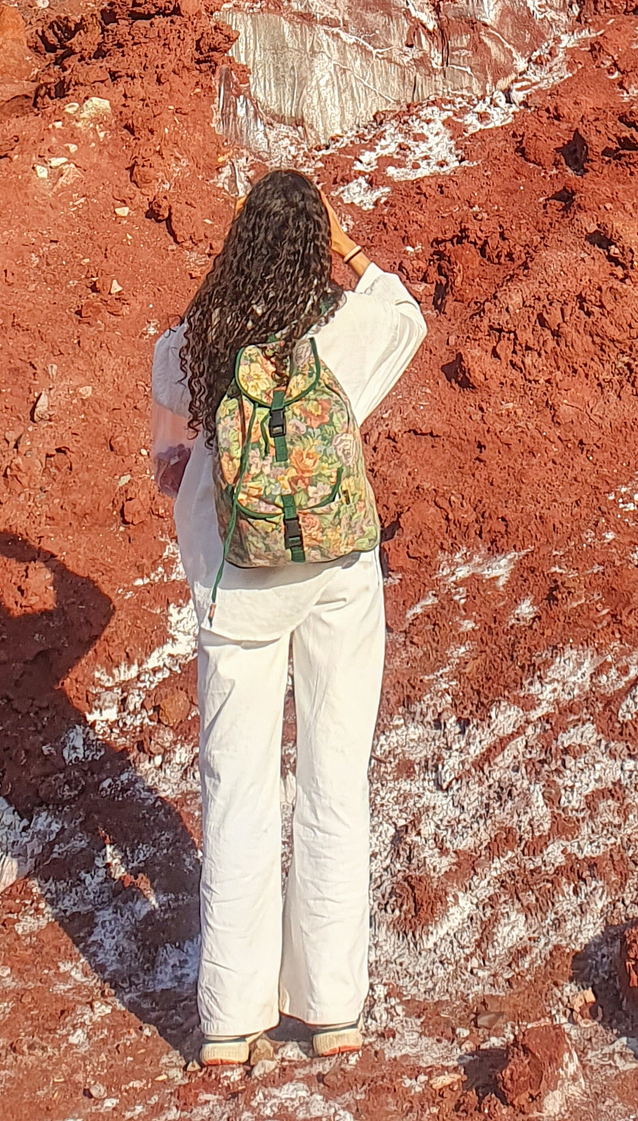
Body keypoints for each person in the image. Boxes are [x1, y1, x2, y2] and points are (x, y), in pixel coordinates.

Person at [148, 167, 425, 1069]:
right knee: (334, 776)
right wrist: (345, 248)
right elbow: (402, 310)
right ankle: (334, 1007)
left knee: (238, 784)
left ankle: (232, 1017)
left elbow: (164, 428)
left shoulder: (200, 345)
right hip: (340, 574)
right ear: (315, 247)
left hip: (240, 588)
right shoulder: (339, 339)